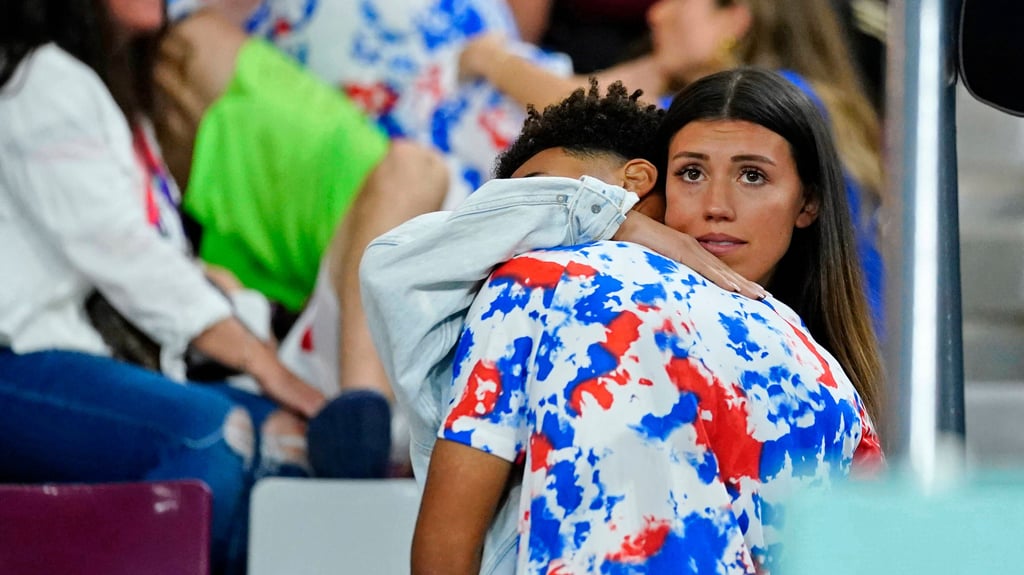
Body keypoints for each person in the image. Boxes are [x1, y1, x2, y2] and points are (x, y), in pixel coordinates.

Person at [363, 69, 882, 574]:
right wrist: (623, 222)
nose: (717, 206)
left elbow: (447, 543)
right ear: (656, 180)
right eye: (692, 173)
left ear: (807, 202)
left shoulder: (540, 282)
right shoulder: (833, 380)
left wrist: (618, 222)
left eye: (752, 176)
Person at [0, 0, 328, 569]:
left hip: (76, 354)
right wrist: (261, 361)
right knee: (208, 436)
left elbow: (154, 257)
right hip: (18, 363)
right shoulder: (40, 78)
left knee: (282, 437)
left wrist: (225, 302)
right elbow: (121, 253)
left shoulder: (114, 95)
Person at [459, 0, 887, 331]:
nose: (657, 15)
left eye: (751, 176)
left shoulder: (771, 106)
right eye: (691, 174)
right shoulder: (804, 96)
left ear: (734, 18)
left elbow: (580, 115)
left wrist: (493, 59)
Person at [152, 6, 452, 477]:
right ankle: (363, 418)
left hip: (383, 264)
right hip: (359, 274)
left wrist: (496, 62)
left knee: (416, 169)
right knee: (415, 169)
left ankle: (364, 418)